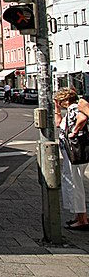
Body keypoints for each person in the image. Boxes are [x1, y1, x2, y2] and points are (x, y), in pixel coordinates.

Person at [54, 87, 89, 231]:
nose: (60, 103)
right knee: (73, 182)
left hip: (76, 153)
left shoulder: (74, 108)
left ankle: (82, 219)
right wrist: (57, 109)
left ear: (67, 100)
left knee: (75, 184)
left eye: (60, 101)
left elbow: (83, 119)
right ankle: (78, 216)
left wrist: (74, 133)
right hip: (71, 153)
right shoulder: (70, 110)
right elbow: (58, 124)